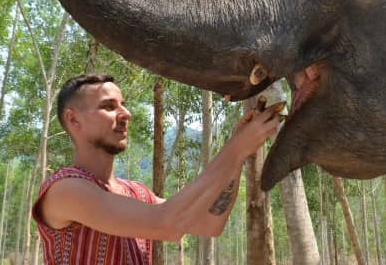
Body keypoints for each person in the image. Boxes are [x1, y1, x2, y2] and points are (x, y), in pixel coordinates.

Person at [33, 74, 281, 264]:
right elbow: (167, 224)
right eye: (109, 107)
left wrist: (238, 153)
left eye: (123, 104)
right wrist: (235, 149)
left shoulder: (137, 193)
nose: (126, 114)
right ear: (73, 119)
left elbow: (209, 222)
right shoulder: (64, 189)